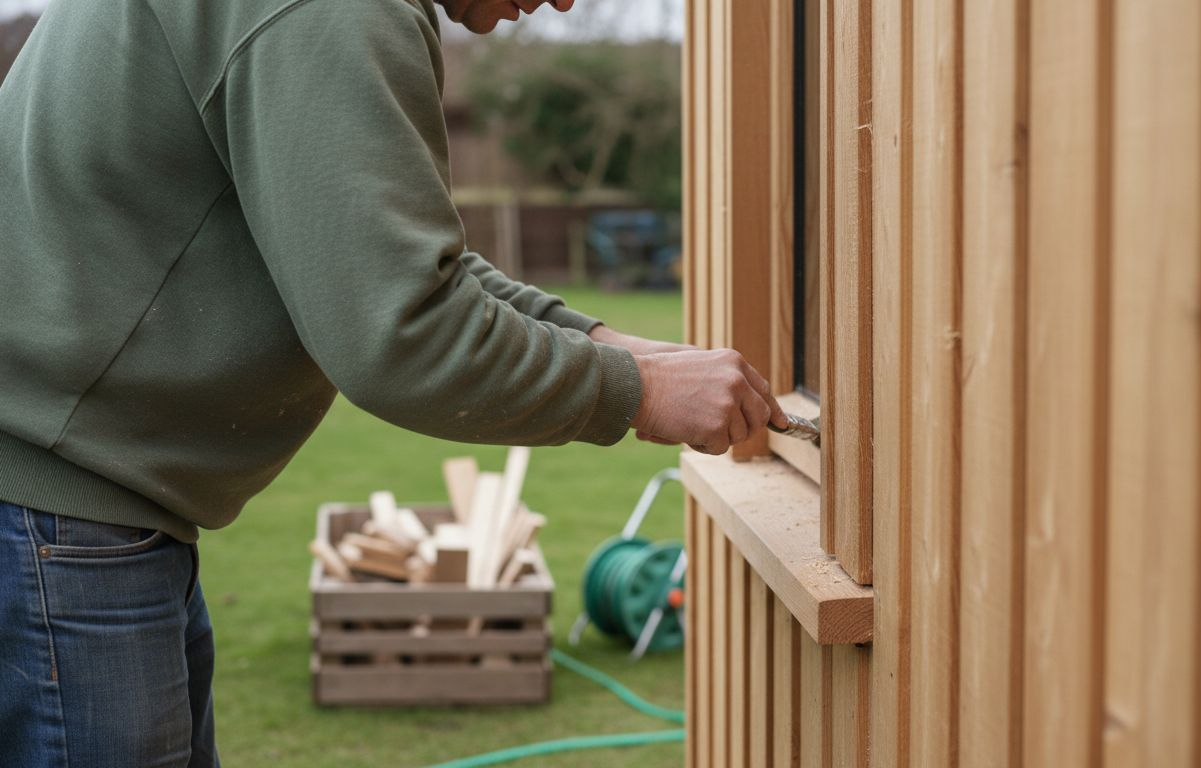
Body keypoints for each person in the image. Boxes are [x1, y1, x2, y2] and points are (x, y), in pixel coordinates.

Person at [0, 0, 784, 764]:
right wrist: (637, 394)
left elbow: (388, 258)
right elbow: (404, 333)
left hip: (77, 502)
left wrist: (614, 346)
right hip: (57, 513)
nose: (564, 0)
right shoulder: (332, 12)